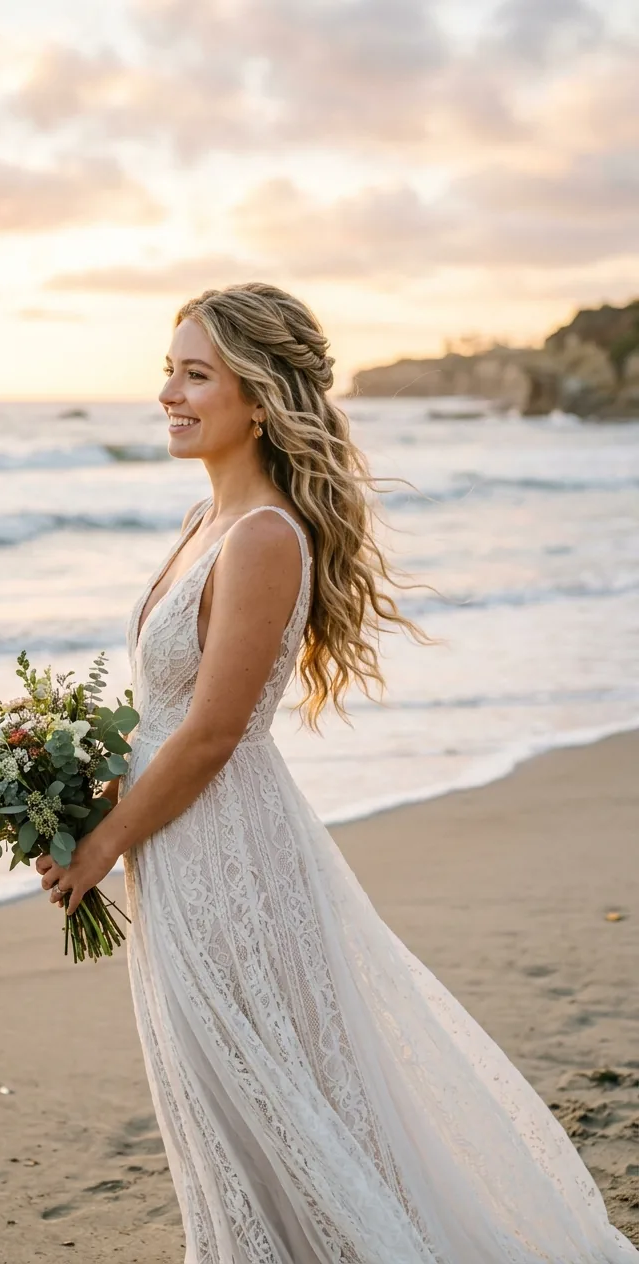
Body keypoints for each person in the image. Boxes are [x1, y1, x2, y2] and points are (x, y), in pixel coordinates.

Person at [36, 283, 637, 1263]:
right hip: (178, 846)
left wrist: (100, 847)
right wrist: (79, 798)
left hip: (227, 848)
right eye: (168, 372)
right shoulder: (205, 518)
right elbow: (164, 720)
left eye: (196, 375)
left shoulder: (264, 535)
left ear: (260, 400)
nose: (168, 395)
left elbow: (213, 733)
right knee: (225, 1090)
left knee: (275, 1090)